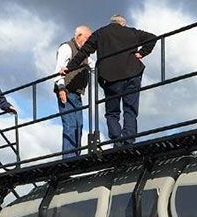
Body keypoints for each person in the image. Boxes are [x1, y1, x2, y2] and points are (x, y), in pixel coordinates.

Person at [62, 14, 157, 144]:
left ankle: (117, 140)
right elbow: (152, 38)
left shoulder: (101, 33)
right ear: (122, 24)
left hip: (110, 77)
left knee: (112, 112)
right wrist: (141, 53)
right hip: (132, 74)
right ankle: (128, 140)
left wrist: (69, 68)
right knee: (130, 109)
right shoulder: (131, 32)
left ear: (112, 22)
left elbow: (84, 52)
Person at [54, 25, 92, 159]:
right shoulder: (67, 47)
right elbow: (58, 69)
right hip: (67, 91)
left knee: (79, 125)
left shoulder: (85, 53)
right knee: (70, 125)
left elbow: (93, 65)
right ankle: (69, 158)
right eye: (88, 38)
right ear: (79, 36)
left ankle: (76, 156)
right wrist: (61, 88)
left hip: (76, 93)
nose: (89, 41)